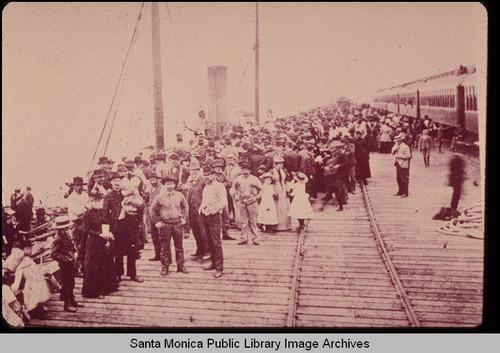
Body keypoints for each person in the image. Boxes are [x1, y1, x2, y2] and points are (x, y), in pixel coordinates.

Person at [103, 172, 143, 283]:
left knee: (132, 250)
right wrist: (109, 230)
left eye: (118, 181)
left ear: (122, 182)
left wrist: (138, 222)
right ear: (111, 183)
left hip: (130, 224)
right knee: (118, 251)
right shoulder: (108, 196)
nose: (116, 183)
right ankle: (118, 274)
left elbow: (140, 206)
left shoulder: (127, 193)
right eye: (114, 181)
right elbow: (105, 214)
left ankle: (133, 274)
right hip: (118, 226)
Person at [150, 175, 189, 276]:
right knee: (165, 247)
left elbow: (185, 207)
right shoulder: (159, 197)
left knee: (179, 246)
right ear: (164, 185)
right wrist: (157, 222)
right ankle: (165, 267)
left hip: (177, 224)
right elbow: (152, 210)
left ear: (175, 184)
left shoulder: (180, 195)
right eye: (167, 184)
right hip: (165, 225)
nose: (170, 186)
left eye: (171, 183)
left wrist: (184, 218)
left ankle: (181, 265)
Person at [82, 195, 118, 299]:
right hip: (94, 242)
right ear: (91, 202)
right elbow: (87, 230)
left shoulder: (103, 212)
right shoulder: (88, 214)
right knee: (95, 266)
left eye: (99, 200)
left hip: (104, 240)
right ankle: (95, 291)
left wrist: (110, 232)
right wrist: (99, 234)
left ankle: (107, 287)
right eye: (95, 201)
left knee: (106, 263)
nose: (97, 203)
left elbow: (108, 224)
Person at [4, 238, 51, 317]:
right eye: (27, 249)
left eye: (30, 248)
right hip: (25, 281)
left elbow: (34, 269)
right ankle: (32, 309)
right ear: (22, 250)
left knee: (38, 285)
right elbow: (18, 274)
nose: (30, 250)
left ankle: (36, 306)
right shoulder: (20, 260)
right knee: (30, 291)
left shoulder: (28, 259)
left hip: (33, 278)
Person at [199, 166, 227, 278]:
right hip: (205, 216)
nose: (207, 177)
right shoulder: (206, 187)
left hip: (215, 217)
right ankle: (214, 263)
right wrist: (201, 208)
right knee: (209, 240)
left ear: (214, 175)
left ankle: (219, 268)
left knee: (216, 242)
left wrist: (213, 209)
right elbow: (205, 200)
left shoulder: (220, 186)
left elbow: (223, 201)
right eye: (205, 175)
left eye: (209, 175)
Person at [50, 216, 83, 312]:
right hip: (65, 264)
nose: (66, 229)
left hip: (70, 262)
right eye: (64, 228)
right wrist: (64, 259)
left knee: (71, 282)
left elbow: (71, 245)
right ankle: (67, 303)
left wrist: (75, 251)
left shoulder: (66, 234)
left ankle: (72, 300)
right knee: (66, 283)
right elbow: (53, 253)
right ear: (60, 229)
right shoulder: (58, 238)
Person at [233, 162, 263, 245]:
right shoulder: (238, 179)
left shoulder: (255, 179)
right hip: (242, 202)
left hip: (252, 202)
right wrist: (235, 196)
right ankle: (244, 238)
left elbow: (262, 190)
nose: (245, 171)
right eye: (243, 170)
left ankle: (255, 239)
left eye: (247, 170)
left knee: (253, 221)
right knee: (244, 222)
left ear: (250, 170)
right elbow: (233, 189)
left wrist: (256, 197)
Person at [65, 176, 89, 276]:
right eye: (77, 185)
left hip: (86, 222)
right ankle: (78, 269)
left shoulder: (85, 194)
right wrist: (87, 209)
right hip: (77, 223)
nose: (79, 187)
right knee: (78, 246)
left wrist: (87, 209)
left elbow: (89, 206)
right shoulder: (71, 198)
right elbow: (79, 212)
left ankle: (85, 267)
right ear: (73, 186)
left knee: (86, 245)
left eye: (80, 185)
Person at [186, 159, 209, 260]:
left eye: (196, 170)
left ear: (199, 170)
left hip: (201, 209)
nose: (193, 172)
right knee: (195, 231)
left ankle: (207, 251)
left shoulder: (203, 180)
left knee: (203, 231)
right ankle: (199, 250)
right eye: (191, 170)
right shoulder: (189, 180)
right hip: (192, 209)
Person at [269, 154, 292, 231]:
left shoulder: (284, 171)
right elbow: (269, 183)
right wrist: (272, 192)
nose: (280, 165)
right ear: (274, 164)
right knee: (276, 207)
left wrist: (288, 190)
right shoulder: (272, 172)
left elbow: (286, 181)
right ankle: (276, 225)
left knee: (284, 207)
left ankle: (285, 225)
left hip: (283, 189)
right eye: (278, 164)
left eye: (281, 164)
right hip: (276, 189)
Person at [145, 172, 163, 261]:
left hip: (160, 215)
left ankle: (164, 256)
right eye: (150, 180)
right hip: (152, 215)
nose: (152, 181)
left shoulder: (162, 188)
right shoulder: (151, 188)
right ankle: (157, 254)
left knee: (161, 236)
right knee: (154, 235)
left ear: (158, 179)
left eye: (154, 179)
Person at [392, 133, 411, 197]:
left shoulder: (405, 147)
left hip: (403, 164)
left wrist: (398, 156)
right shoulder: (396, 146)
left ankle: (405, 193)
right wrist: (395, 150)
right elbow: (392, 153)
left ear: (400, 141)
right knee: (398, 179)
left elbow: (408, 156)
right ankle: (400, 191)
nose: (396, 142)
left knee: (404, 179)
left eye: (397, 141)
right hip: (397, 163)